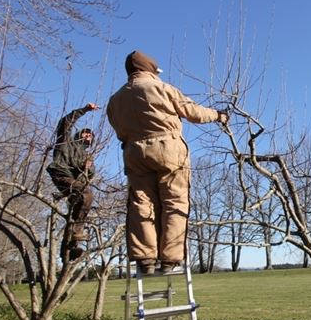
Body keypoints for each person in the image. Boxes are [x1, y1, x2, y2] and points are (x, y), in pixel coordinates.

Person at [106, 50, 228, 275]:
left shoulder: (115, 99)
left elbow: (117, 126)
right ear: (151, 70)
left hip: (134, 152)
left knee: (141, 204)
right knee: (174, 202)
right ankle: (170, 259)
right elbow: (194, 113)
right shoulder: (162, 88)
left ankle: (145, 259)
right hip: (168, 149)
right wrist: (219, 115)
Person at [47, 103, 98, 256]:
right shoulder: (66, 141)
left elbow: (89, 176)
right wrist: (85, 110)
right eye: (86, 133)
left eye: (91, 136)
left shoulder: (87, 156)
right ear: (79, 134)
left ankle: (68, 249)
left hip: (74, 184)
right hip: (60, 173)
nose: (88, 136)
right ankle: (76, 234)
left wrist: (87, 168)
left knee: (75, 213)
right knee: (87, 194)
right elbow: (65, 122)